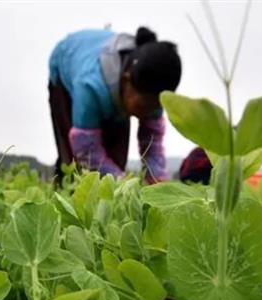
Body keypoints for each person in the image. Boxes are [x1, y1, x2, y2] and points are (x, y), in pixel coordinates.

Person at [48, 27, 182, 184]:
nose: (147, 113)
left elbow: (152, 142)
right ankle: (64, 191)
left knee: (117, 157)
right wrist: (121, 182)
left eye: (155, 107)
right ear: (126, 80)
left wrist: (157, 181)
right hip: (66, 65)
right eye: (144, 106)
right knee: (74, 162)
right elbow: (85, 147)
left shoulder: (152, 88)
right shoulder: (89, 86)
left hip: (116, 91)